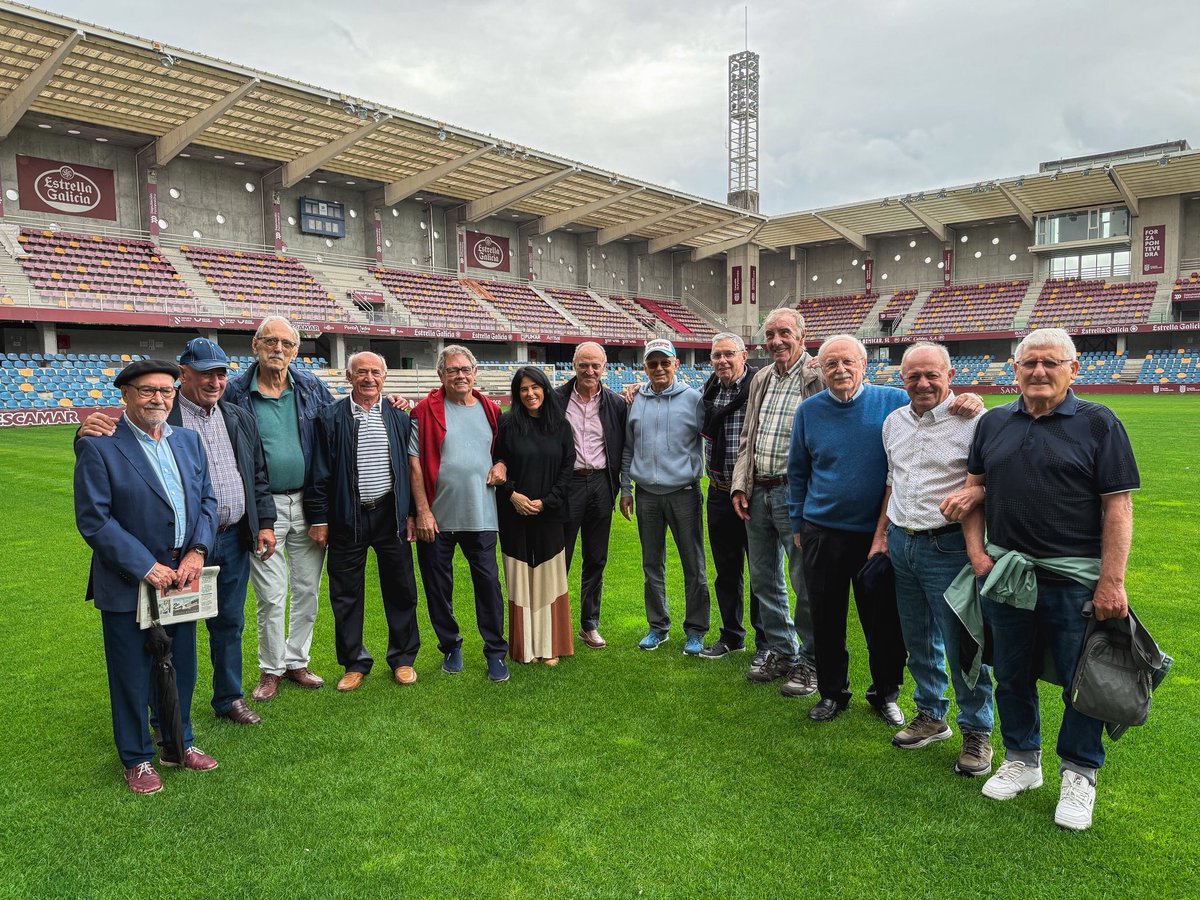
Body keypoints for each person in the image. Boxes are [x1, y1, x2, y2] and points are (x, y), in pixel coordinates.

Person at [962, 328, 1139, 831]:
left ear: (1073, 368)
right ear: (1014, 369)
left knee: (1082, 680)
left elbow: (1118, 506)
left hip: (1073, 577)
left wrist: (1112, 581)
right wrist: (978, 557)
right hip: (1007, 574)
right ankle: (1022, 759)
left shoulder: (1099, 423)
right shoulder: (993, 422)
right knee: (1011, 672)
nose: (1039, 371)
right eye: (1029, 363)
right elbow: (974, 491)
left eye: (1050, 363)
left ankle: (1079, 773)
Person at [77, 338, 277, 726]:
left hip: (232, 538)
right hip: (175, 548)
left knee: (229, 623)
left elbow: (257, 475)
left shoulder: (237, 415)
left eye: (221, 373)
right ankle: (163, 717)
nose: (214, 381)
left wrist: (264, 522)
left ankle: (228, 697)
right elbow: (114, 458)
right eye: (204, 373)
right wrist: (82, 433)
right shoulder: (163, 418)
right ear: (182, 375)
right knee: (166, 634)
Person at [788, 334, 982, 724]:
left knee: (885, 622)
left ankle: (885, 693)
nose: (840, 370)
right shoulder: (809, 411)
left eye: (848, 362)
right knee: (825, 617)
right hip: (822, 531)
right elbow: (798, 471)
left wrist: (968, 397)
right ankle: (832, 692)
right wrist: (798, 524)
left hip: (879, 533)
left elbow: (933, 400)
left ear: (864, 365)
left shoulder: (893, 402)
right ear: (820, 369)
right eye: (831, 364)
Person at [74, 359, 219, 794]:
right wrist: (146, 566)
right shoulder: (100, 446)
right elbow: (95, 521)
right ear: (125, 395)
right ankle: (136, 758)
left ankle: (178, 742)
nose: (159, 398)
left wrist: (196, 551)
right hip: (130, 579)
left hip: (182, 575)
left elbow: (208, 502)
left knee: (183, 666)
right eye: (147, 390)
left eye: (167, 390)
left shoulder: (189, 441)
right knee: (132, 672)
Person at [870, 342, 994, 776]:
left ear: (949, 374)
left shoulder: (975, 420)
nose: (922, 383)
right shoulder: (893, 422)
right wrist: (882, 536)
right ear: (901, 378)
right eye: (913, 376)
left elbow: (990, 483)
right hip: (903, 541)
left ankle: (976, 731)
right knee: (917, 639)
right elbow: (893, 481)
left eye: (931, 375)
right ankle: (931, 714)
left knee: (962, 644)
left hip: (950, 547)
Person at [223, 316, 334, 701]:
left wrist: (392, 403)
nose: (278, 349)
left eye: (287, 344)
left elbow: (338, 429)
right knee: (271, 594)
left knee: (307, 590)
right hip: (261, 508)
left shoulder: (311, 387)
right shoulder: (234, 393)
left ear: (296, 351)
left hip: (309, 503)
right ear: (255, 345)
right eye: (270, 341)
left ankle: (296, 661)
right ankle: (270, 669)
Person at [306, 351, 421, 691]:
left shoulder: (401, 417)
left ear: (384, 378)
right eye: (361, 373)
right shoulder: (330, 417)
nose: (369, 378)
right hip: (347, 517)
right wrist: (319, 518)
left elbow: (410, 471)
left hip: (391, 515)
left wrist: (412, 512)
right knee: (345, 593)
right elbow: (319, 474)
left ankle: (402, 658)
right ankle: (354, 662)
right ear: (349, 377)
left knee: (401, 588)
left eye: (375, 372)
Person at [730, 309, 821, 695]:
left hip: (794, 495)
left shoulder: (817, 374)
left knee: (804, 582)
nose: (777, 341)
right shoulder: (762, 378)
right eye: (770, 334)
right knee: (764, 579)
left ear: (802, 336)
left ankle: (812, 661)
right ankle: (782, 651)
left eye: (785, 332)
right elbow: (749, 435)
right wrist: (740, 484)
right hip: (758, 491)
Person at [409, 345, 511, 683]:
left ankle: (495, 651)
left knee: (488, 584)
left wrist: (501, 464)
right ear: (441, 375)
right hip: (436, 518)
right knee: (438, 586)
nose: (460, 375)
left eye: (466, 369)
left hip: (481, 514)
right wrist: (422, 511)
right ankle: (450, 645)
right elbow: (414, 465)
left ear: (475, 373)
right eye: (453, 370)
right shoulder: (424, 411)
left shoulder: (490, 410)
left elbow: (503, 453)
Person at [620, 338, 710, 654]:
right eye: (652, 363)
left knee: (694, 565)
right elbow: (628, 448)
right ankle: (658, 627)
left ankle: (696, 631)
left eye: (664, 362)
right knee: (651, 564)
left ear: (675, 364)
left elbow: (711, 437)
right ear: (644, 367)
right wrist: (625, 488)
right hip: (646, 495)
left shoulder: (694, 399)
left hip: (684, 493)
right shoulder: (635, 401)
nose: (659, 368)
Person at [496, 367, 576, 666]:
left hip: (550, 514)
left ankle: (548, 645)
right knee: (519, 580)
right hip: (514, 513)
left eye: (535, 387)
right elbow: (497, 464)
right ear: (517, 394)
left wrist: (546, 503)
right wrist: (512, 495)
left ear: (545, 388)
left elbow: (568, 470)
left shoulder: (560, 425)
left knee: (549, 580)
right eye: (523, 389)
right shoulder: (506, 424)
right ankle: (524, 647)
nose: (530, 393)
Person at [554, 341, 627, 650]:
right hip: (567, 485)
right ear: (574, 365)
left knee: (596, 558)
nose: (589, 370)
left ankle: (589, 624)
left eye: (595, 365)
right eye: (584, 364)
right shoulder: (555, 400)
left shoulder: (616, 403)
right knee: (560, 558)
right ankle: (554, 626)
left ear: (604, 368)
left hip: (600, 484)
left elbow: (624, 447)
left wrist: (623, 488)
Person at [698, 332, 766, 659]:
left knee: (761, 570)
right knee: (726, 570)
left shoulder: (759, 387)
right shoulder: (708, 390)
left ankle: (766, 642)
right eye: (716, 356)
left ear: (743, 356)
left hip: (752, 494)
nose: (722, 361)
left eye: (728, 354)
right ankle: (731, 635)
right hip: (718, 492)